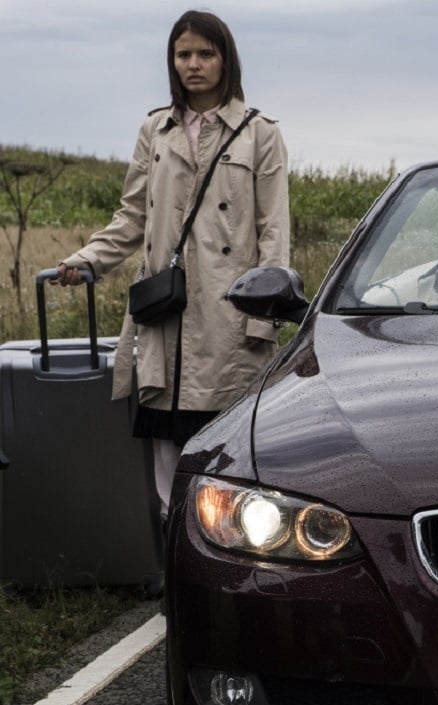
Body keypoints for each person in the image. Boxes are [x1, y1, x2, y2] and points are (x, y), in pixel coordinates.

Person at [52, 10, 289, 520]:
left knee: (227, 453)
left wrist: (263, 318)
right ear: (172, 61)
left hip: (230, 315)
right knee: (165, 450)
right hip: (165, 311)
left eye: (205, 53)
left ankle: (220, 552)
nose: (193, 64)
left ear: (226, 60)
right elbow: (132, 216)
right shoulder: (155, 129)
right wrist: (88, 260)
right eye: (183, 54)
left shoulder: (260, 133)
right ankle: (173, 551)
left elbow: (274, 232)